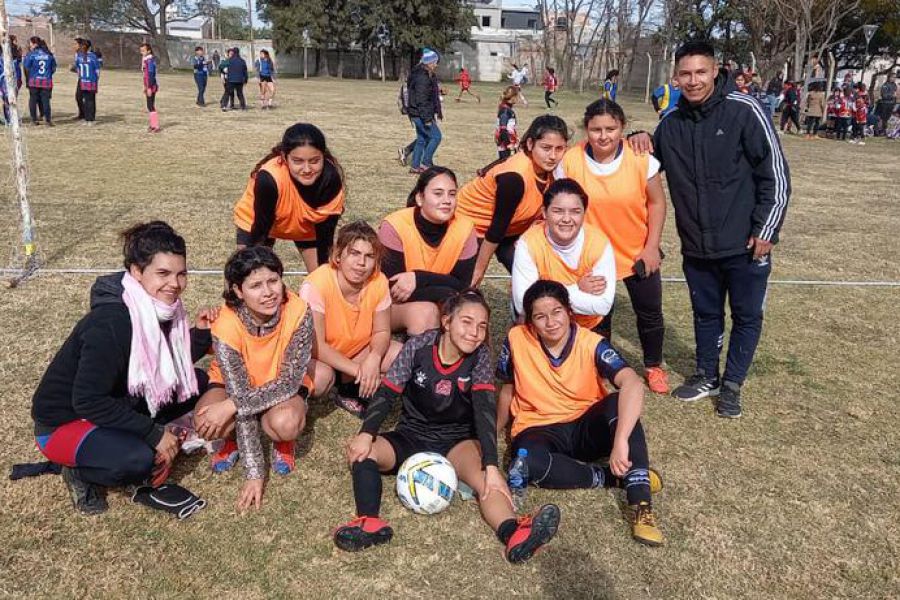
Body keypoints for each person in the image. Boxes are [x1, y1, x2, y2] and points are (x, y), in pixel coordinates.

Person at [334, 289, 562, 563]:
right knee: (363, 452)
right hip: (411, 436)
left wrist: (491, 466)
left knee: (487, 483)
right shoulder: (418, 347)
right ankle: (369, 522)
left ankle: (514, 533)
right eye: (466, 322)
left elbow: (485, 414)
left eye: (482, 326)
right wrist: (365, 434)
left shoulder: (479, 359)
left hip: (458, 443)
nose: (475, 332)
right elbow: (387, 393)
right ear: (446, 322)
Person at [30, 222, 215, 515]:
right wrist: (154, 434)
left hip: (115, 403)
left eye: (181, 274)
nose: (175, 284)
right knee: (140, 460)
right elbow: (88, 400)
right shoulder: (111, 323)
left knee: (199, 380)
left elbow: (165, 362)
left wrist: (201, 334)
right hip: (65, 423)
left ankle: (120, 443)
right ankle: (78, 470)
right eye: (163, 273)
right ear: (137, 271)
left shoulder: (159, 309)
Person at [652, 40, 791, 418]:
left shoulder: (744, 110)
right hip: (696, 245)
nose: (693, 80)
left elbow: (775, 174)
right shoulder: (669, 124)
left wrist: (767, 228)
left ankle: (732, 385)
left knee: (746, 315)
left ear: (715, 71)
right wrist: (635, 138)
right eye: (686, 74)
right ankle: (706, 375)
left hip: (746, 243)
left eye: (701, 72)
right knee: (705, 313)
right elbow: (644, 167)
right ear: (675, 77)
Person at [496, 280, 664, 546]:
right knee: (523, 463)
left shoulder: (592, 342)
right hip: (538, 429)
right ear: (529, 322)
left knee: (618, 402)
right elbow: (507, 388)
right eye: (540, 316)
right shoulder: (516, 339)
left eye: (557, 311)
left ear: (569, 311)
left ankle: (641, 504)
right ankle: (609, 478)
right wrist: (494, 432)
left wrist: (620, 440)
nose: (550, 322)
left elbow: (632, 382)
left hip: (586, 426)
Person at [557, 99, 670, 393]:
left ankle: (653, 365)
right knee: (597, 314)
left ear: (623, 128)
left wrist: (652, 247)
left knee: (649, 312)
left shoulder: (641, 158)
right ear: (586, 129)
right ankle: (600, 366)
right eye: (596, 129)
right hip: (593, 257)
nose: (603, 135)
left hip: (636, 252)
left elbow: (657, 203)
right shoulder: (570, 160)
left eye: (611, 128)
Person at [199, 246, 314, 511]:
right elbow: (237, 391)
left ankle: (283, 442)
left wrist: (231, 405)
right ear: (238, 291)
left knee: (285, 423)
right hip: (236, 387)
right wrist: (255, 472)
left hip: (280, 387)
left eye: (273, 281)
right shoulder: (226, 323)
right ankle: (231, 442)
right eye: (255, 285)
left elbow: (288, 382)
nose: (268, 292)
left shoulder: (298, 310)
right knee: (207, 420)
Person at [300, 221, 402, 417]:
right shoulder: (316, 284)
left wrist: (374, 358)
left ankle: (349, 390)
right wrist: (360, 371)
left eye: (369, 256)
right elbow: (316, 345)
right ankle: (339, 384)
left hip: (358, 350)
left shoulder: (379, 281)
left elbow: (382, 331)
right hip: (322, 358)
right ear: (338, 256)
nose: (361, 263)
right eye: (354, 253)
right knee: (321, 379)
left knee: (400, 355)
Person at [455, 115, 569, 286]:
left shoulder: (553, 171)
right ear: (530, 144)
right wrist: (479, 269)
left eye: (559, 149)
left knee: (534, 280)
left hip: (508, 231)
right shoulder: (514, 178)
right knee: (464, 286)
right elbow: (496, 229)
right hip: (472, 228)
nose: (553, 156)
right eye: (546, 148)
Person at [379, 167, 478, 335]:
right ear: (419, 198)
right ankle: (419, 359)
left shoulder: (466, 229)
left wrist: (418, 278)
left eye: (452, 194)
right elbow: (393, 290)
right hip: (388, 307)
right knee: (426, 313)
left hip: (444, 300)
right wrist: (445, 291)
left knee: (473, 312)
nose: (447, 200)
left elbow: (462, 284)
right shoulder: (395, 226)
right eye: (438, 194)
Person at [233, 122, 345, 272]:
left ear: (323, 157)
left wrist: (324, 278)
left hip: (305, 225)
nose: (307, 169)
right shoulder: (269, 179)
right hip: (257, 225)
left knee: (323, 275)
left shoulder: (331, 180)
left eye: (314, 161)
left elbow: (325, 239)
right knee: (245, 273)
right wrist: (251, 269)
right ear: (285, 158)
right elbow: (260, 232)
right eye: (298, 161)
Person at [511, 178, 615, 331]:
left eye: (575, 212)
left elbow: (603, 305)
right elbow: (523, 304)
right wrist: (577, 289)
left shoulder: (599, 244)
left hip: (588, 328)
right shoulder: (528, 243)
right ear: (544, 213)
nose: (567, 219)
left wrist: (542, 297)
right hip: (544, 327)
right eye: (558, 211)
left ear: (584, 213)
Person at [406, 48, 443, 174]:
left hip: (415, 113)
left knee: (421, 139)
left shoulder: (418, 73)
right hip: (420, 114)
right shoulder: (423, 78)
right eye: (435, 62)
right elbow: (422, 100)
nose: (436, 65)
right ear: (429, 63)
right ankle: (425, 164)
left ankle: (415, 166)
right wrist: (427, 119)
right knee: (436, 137)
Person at [23, 36, 55, 126]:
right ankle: (47, 120)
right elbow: (53, 68)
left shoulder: (32, 54)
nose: (29, 45)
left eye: (30, 43)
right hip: (46, 81)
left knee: (33, 100)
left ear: (35, 44)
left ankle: (33, 120)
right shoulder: (48, 54)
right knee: (45, 101)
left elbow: (26, 66)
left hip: (34, 81)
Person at [74, 38, 101, 125]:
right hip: (91, 80)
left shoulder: (80, 56)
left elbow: (77, 69)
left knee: (86, 100)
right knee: (91, 100)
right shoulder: (93, 57)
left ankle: (87, 118)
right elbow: (97, 70)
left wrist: (81, 77)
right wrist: (96, 79)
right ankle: (90, 119)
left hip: (83, 80)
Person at [139, 43, 159, 133]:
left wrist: (149, 87)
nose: (142, 52)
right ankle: (152, 124)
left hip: (151, 85)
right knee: (150, 105)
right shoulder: (145, 60)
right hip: (147, 85)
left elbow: (150, 75)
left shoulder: (150, 61)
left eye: (143, 50)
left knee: (150, 105)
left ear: (149, 51)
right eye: (141, 50)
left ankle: (155, 125)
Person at [495, 85, 519, 159]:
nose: (518, 99)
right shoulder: (505, 111)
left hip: (509, 144)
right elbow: (503, 129)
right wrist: (509, 144)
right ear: (513, 97)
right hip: (505, 146)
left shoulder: (508, 110)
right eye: (517, 96)